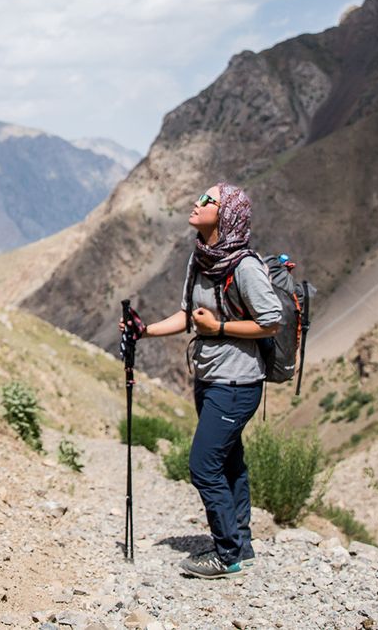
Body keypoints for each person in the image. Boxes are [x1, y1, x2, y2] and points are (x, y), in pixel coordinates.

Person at [120, 183, 281, 579]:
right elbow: (188, 315)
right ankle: (241, 541)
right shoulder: (202, 258)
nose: (198, 203)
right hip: (209, 377)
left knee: (203, 465)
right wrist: (146, 331)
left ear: (225, 215)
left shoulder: (243, 266)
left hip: (238, 383)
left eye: (209, 200)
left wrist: (221, 325)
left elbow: (271, 320)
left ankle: (226, 554)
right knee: (229, 461)